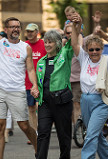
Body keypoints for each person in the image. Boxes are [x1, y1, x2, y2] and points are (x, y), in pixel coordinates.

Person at [0, 1, 39, 158]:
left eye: (18, 26)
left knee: (24, 125)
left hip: (17, 91)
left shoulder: (25, 47)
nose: (16, 29)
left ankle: (39, 149)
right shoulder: (0, 42)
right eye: (12, 26)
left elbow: (30, 69)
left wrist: (35, 85)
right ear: (6, 29)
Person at [71, 13, 108, 159]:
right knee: (96, 134)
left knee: (90, 134)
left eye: (97, 49)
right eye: (91, 49)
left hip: (101, 102)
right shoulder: (84, 58)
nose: (94, 52)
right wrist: (74, 26)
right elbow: (74, 43)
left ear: (102, 49)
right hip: (85, 100)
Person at [35, 29, 74, 159]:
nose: (47, 44)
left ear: (57, 43)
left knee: (64, 136)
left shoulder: (65, 55)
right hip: (45, 103)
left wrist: (75, 25)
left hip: (62, 102)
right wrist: (35, 90)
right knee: (42, 134)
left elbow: (73, 42)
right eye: (45, 42)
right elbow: (40, 82)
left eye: (50, 42)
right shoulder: (41, 62)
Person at [25, 23, 47, 144]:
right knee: (31, 108)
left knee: (41, 107)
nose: (29, 33)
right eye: (28, 31)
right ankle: (34, 134)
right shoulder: (24, 45)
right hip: (28, 82)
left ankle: (42, 131)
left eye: (32, 31)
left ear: (37, 32)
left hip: (42, 82)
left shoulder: (43, 44)